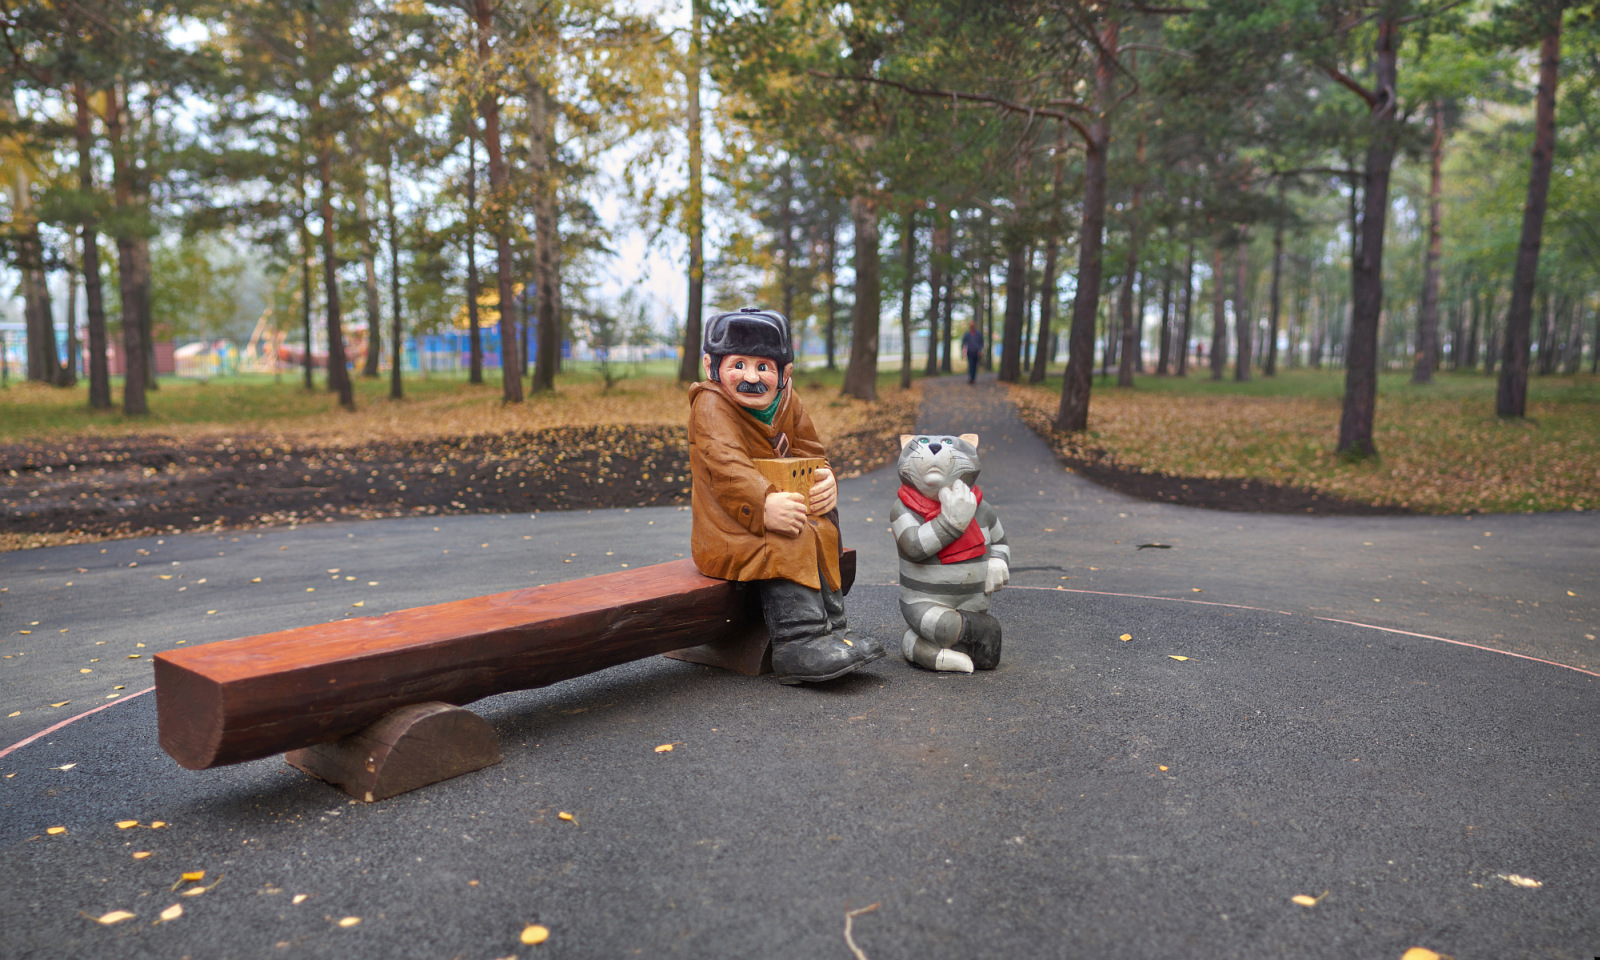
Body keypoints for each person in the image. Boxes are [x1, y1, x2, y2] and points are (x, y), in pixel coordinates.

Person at [687, 308, 885, 684]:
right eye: (738, 365)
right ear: (712, 367)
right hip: (727, 529)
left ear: (784, 373)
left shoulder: (787, 401)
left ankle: (832, 629)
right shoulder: (710, 405)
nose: (750, 377)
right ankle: (798, 642)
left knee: (822, 529)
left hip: (781, 512)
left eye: (763, 367)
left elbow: (813, 450)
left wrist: (826, 478)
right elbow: (727, 467)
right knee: (789, 539)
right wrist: (763, 505)